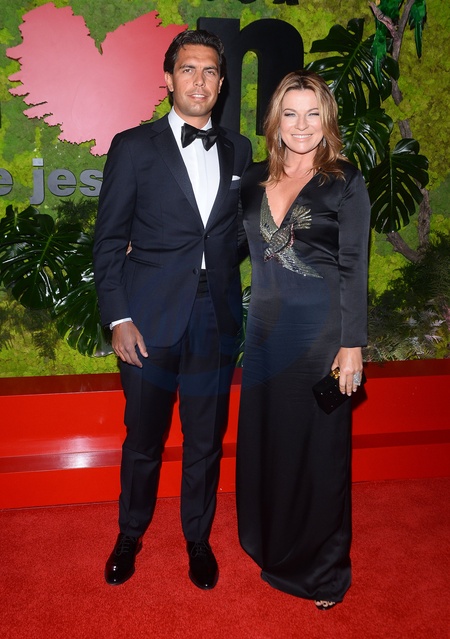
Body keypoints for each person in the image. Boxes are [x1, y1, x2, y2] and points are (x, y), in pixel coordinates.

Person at [93, 29, 252, 589]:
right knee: (144, 437)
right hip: (147, 317)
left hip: (215, 316)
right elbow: (108, 242)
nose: (199, 81)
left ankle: (198, 539)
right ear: (168, 79)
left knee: (205, 440)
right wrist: (118, 317)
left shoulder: (239, 150)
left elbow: (230, 232)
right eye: (188, 69)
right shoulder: (133, 147)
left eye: (210, 71)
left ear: (222, 82)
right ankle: (129, 534)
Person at [235, 70, 370, 610]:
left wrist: (352, 344)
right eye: (290, 113)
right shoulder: (252, 180)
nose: (302, 125)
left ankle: (324, 573)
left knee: (320, 453)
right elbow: (224, 244)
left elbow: (355, 265)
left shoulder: (344, 181)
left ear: (327, 120)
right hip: (265, 334)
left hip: (321, 336)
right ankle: (271, 543)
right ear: (275, 120)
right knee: (269, 442)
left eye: (313, 114)